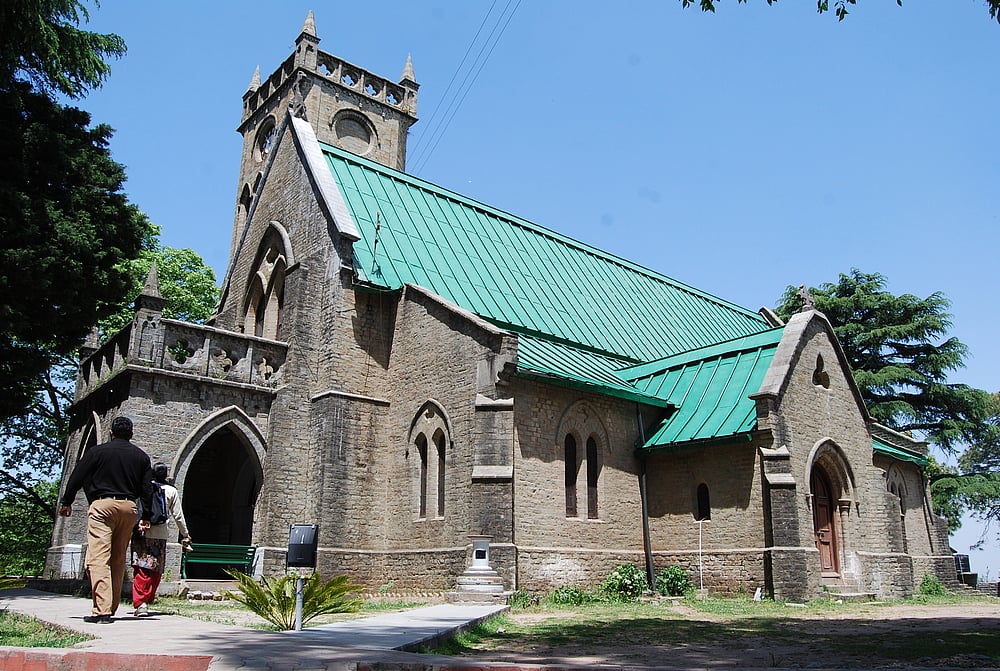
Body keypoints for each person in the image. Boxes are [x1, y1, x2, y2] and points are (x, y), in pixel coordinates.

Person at [59, 416, 154, 624]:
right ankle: (110, 606)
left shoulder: (97, 452)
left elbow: (77, 475)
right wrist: (146, 515)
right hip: (129, 508)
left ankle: (102, 610)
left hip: (103, 506)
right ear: (132, 434)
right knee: (118, 558)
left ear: (111, 432)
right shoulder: (141, 457)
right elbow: (147, 489)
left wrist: (67, 501)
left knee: (98, 557)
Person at [130, 462, 192, 617]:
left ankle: (141, 602)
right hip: (160, 534)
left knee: (141, 568)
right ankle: (146, 600)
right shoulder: (171, 491)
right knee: (155, 569)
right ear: (166, 475)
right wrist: (185, 534)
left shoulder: (143, 487)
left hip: (141, 531)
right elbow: (178, 515)